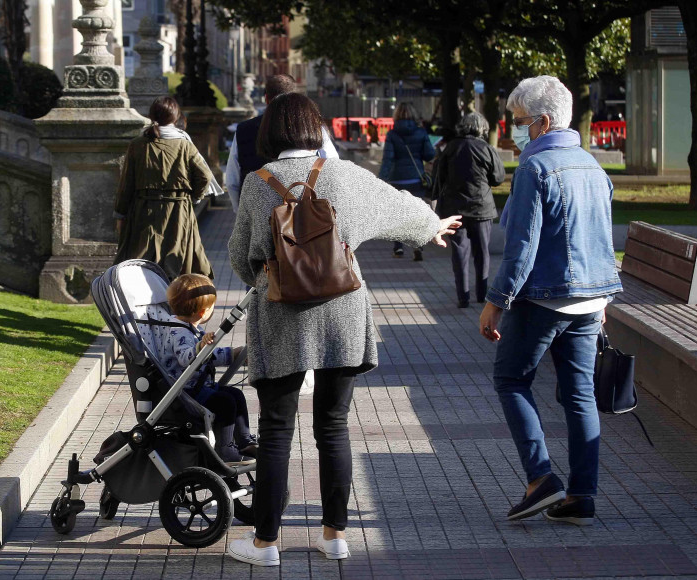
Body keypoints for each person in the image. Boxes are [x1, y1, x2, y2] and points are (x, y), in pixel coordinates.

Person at [227, 93, 461, 566]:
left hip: (280, 316)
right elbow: (396, 205)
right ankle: (335, 536)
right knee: (333, 428)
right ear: (317, 130)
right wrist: (431, 226)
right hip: (344, 312)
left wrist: (268, 271)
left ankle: (265, 544)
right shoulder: (346, 175)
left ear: (270, 131)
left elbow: (238, 257)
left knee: (276, 431)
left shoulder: (256, 184)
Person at [479, 76, 623, 527]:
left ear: (542, 123)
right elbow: (600, 237)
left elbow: (521, 246)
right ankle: (582, 496)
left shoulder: (535, 168)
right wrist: (601, 300)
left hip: (544, 298)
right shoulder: (592, 166)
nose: (513, 132)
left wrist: (495, 301)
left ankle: (541, 478)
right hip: (588, 300)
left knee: (510, 379)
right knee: (579, 396)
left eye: (518, 122)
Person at [113, 96, 215, 280]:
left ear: (152, 115)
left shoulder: (138, 144)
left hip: (144, 212)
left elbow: (126, 183)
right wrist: (194, 198)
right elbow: (204, 175)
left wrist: (120, 214)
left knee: (141, 263)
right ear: (176, 117)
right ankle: (176, 303)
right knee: (178, 263)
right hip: (178, 211)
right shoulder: (185, 144)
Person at [159, 273, 257, 462]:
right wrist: (200, 348)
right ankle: (225, 448)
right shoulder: (179, 332)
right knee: (225, 402)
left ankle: (244, 441)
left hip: (199, 386)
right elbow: (186, 359)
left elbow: (207, 357)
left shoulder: (187, 327)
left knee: (236, 395)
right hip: (187, 392)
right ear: (204, 312)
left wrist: (231, 354)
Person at [224, 74, 339, 213]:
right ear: (295, 98)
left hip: (257, 211)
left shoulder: (244, 129)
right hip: (301, 214)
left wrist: (241, 213)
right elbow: (332, 165)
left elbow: (232, 181)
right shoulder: (313, 127)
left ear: (266, 98)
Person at [433, 111, 505, 308]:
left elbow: (439, 178)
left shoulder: (450, 148)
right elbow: (498, 178)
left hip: (454, 208)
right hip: (481, 208)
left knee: (459, 253)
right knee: (482, 253)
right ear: (482, 128)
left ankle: (462, 297)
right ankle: (482, 294)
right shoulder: (486, 148)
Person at [378, 102, 436, 260]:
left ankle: (398, 248)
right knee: (416, 213)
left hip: (397, 179)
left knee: (398, 214)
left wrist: (380, 180)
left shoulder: (392, 134)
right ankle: (418, 246)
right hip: (416, 178)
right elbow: (429, 155)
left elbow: (387, 160)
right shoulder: (421, 132)